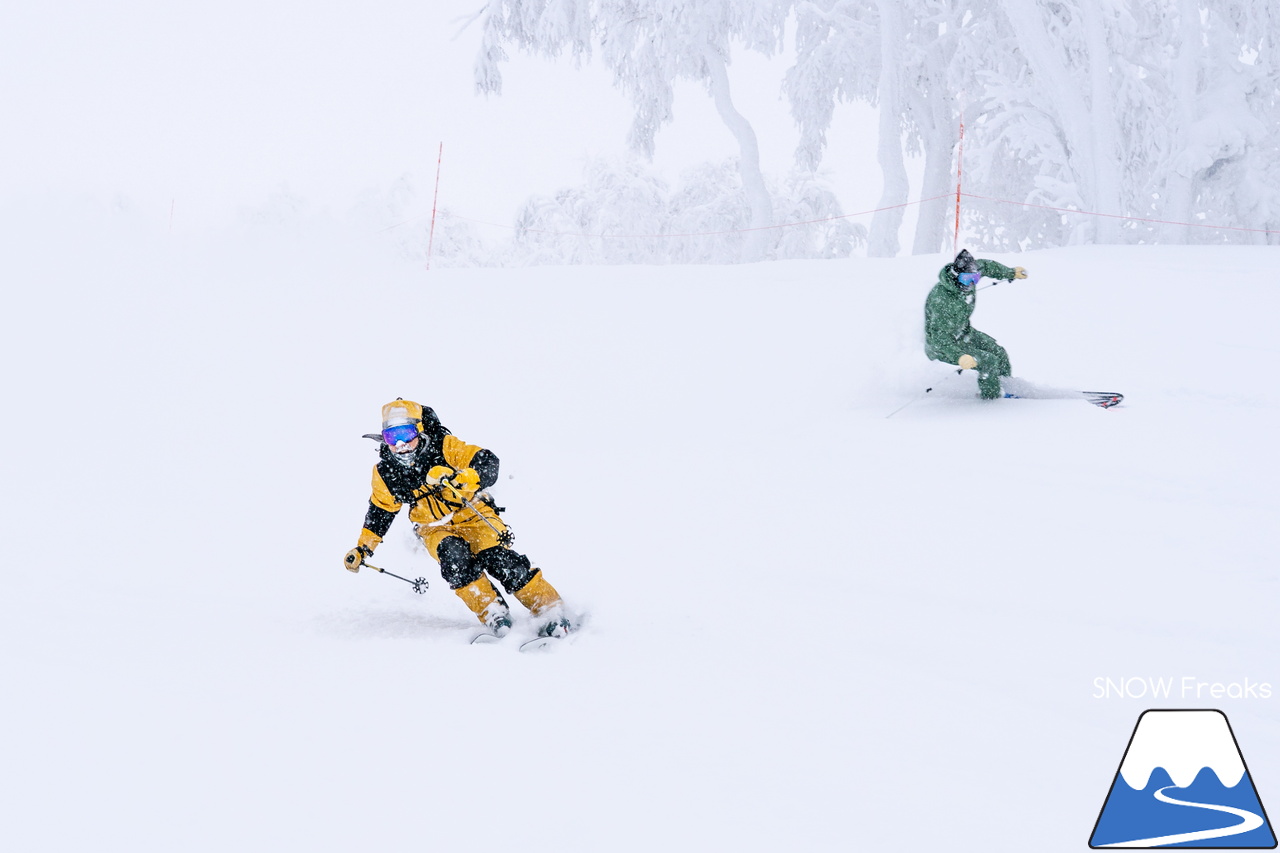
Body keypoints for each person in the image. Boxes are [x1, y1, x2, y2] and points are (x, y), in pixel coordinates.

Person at [344, 399, 571, 639]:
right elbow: (381, 511)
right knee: (455, 559)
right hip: (433, 528)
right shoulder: (386, 472)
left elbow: (487, 461)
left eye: (406, 433)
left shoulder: (444, 447)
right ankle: (491, 610)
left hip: (473, 515)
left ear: (419, 430)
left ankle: (549, 608)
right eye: (391, 437)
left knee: (498, 558)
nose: (401, 445)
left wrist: (468, 478)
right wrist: (363, 548)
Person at [924, 249, 1028, 399]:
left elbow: (986, 266)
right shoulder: (941, 300)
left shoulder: (969, 275)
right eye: (967, 279)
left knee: (999, 353)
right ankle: (991, 401)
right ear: (955, 277)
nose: (972, 283)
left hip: (964, 332)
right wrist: (959, 356)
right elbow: (939, 339)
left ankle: (1009, 391)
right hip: (943, 346)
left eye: (975, 278)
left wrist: (1011, 273)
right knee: (988, 361)